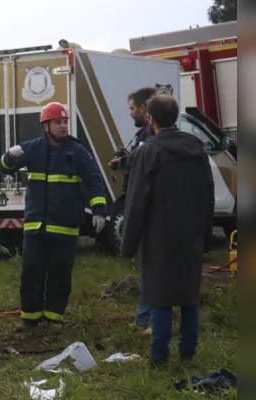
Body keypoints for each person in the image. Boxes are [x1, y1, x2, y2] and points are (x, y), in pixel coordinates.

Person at [120, 94, 214, 366]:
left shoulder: (148, 152)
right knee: (189, 296)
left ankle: (159, 356)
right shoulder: (197, 147)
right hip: (191, 235)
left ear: (150, 118)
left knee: (159, 297)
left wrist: (128, 245)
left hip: (158, 237)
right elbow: (208, 194)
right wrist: (205, 236)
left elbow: (136, 202)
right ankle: (188, 352)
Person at [0, 102, 107, 331]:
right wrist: (9, 156)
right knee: (31, 272)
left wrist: (99, 211)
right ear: (46, 126)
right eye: (58, 122)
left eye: (65, 122)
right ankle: (30, 318)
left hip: (65, 227)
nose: (63, 126)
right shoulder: (33, 149)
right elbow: (5, 168)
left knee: (59, 275)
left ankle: (54, 319)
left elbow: (94, 181)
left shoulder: (77, 152)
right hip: (36, 226)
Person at [109, 87, 157, 335]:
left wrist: (125, 160)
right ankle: (144, 318)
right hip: (137, 201)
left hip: (148, 207)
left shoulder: (153, 137)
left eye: (132, 108)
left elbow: (145, 162)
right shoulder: (143, 135)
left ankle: (149, 320)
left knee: (151, 266)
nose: (130, 113)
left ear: (143, 108)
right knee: (145, 265)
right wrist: (124, 155)